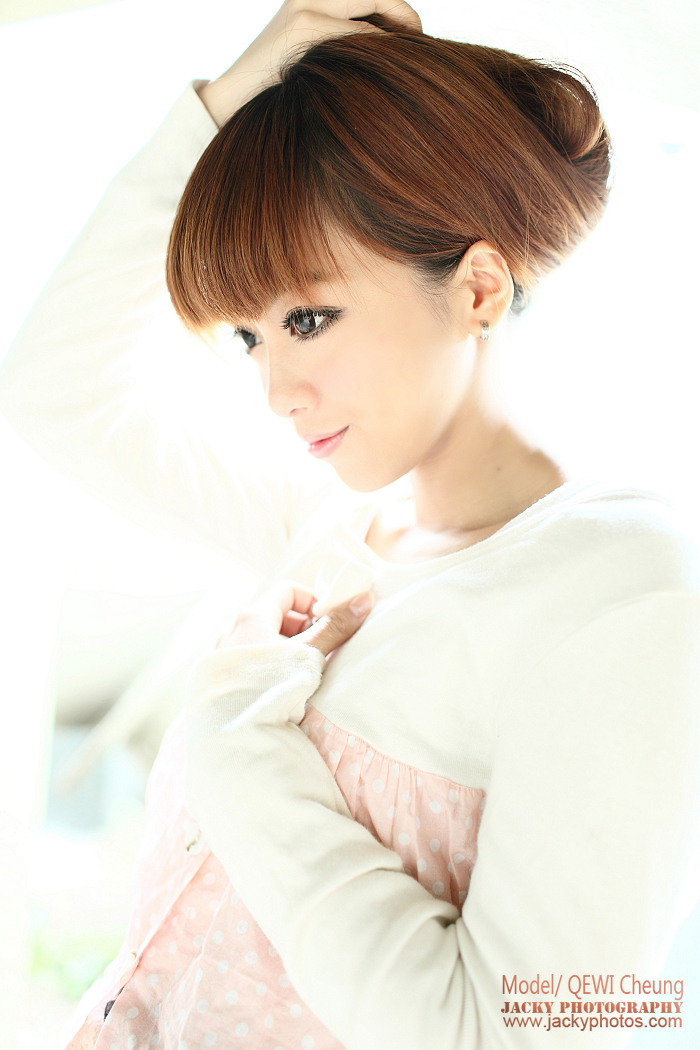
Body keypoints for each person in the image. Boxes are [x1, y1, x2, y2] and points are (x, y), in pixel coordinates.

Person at [1, 2, 699, 1047]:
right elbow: (55, 393)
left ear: (477, 287)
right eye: (249, 338)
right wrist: (235, 99)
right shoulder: (330, 523)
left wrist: (242, 750)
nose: (275, 391)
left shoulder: (622, 595)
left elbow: (527, 1031)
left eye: (308, 319)